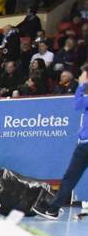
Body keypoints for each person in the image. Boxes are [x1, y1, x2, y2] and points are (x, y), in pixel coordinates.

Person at [35, 68, 88, 219]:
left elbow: (77, 103)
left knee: (70, 178)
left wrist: (82, 85)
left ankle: (54, 208)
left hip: (85, 145)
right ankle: (54, 208)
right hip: (84, 145)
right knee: (70, 177)